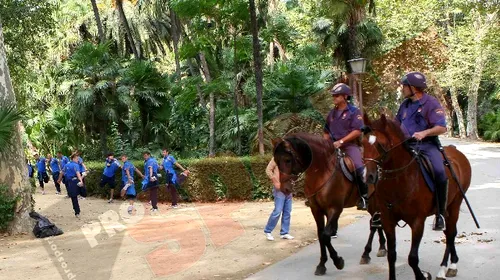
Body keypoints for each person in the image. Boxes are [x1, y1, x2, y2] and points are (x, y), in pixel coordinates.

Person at [395, 71, 448, 231]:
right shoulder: (405, 105)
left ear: (413, 88)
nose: (402, 89)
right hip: (405, 145)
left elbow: (442, 127)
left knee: (440, 172)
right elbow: (396, 124)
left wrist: (424, 133)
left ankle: (440, 213)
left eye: (404, 86)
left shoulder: (431, 103)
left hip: (427, 145)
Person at [323, 83, 368, 210]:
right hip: (332, 146)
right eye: (333, 96)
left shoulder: (354, 111)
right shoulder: (331, 113)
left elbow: (358, 131)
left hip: (349, 146)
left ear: (344, 96)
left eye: (337, 96)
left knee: (359, 167)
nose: (334, 98)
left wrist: (341, 142)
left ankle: (364, 197)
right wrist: (325, 144)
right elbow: (326, 132)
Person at [264, 157, 294, 241]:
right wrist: (275, 181)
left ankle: (284, 233)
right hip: (279, 189)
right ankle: (268, 230)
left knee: (287, 211)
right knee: (277, 211)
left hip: (288, 188)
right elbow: (268, 170)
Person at [57, 154, 86, 218]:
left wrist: (59, 179)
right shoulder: (76, 165)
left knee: (74, 197)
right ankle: (77, 211)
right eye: (76, 159)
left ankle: (77, 211)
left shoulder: (67, 164)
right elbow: (78, 173)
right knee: (81, 192)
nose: (77, 160)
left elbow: (61, 172)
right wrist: (81, 181)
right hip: (74, 181)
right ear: (73, 158)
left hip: (69, 182)